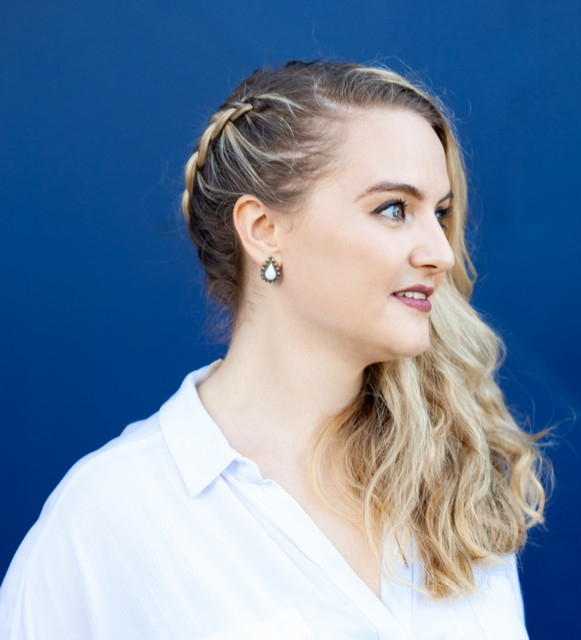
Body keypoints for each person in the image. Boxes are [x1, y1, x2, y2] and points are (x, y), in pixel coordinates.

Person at [0, 60, 547, 639]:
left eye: (439, 213)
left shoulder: (453, 484)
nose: (440, 252)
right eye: (393, 209)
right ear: (263, 229)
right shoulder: (112, 517)